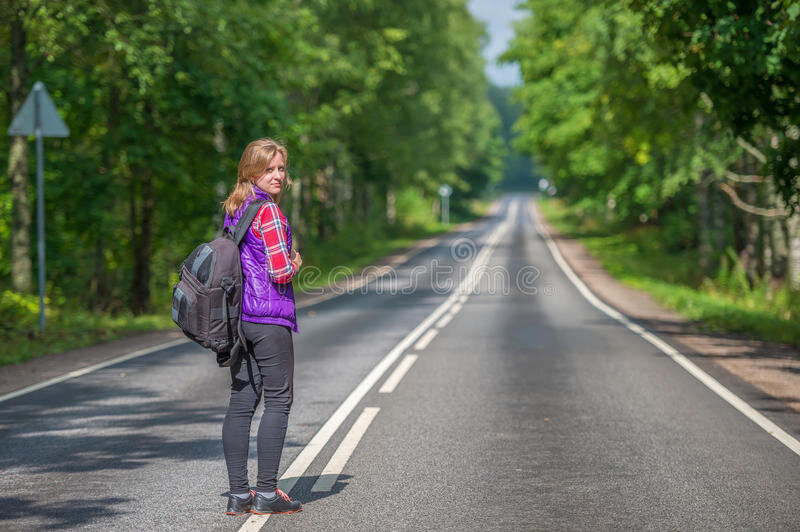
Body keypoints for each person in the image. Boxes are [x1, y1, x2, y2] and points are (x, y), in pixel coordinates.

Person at [220, 138, 303, 516]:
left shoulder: (235, 207)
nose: (277, 176)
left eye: (281, 168)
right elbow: (279, 270)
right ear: (251, 172)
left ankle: (239, 495)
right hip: (269, 318)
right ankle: (267, 492)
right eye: (268, 169)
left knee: (241, 404)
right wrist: (296, 260)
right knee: (279, 401)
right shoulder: (268, 212)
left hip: (241, 321)